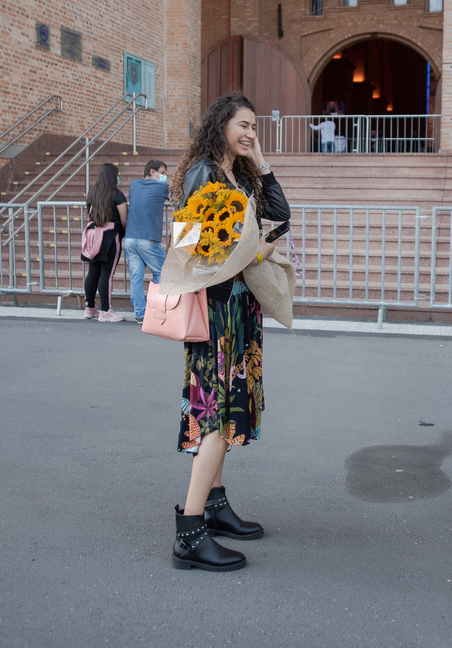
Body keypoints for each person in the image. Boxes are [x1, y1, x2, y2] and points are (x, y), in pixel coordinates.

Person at [167, 90, 290, 572]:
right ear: (220, 124)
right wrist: (254, 253)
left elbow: (279, 216)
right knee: (216, 416)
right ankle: (190, 533)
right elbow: (191, 247)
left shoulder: (237, 175)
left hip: (238, 309)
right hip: (215, 311)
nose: (250, 133)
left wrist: (260, 161)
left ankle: (215, 506)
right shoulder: (203, 173)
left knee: (230, 407)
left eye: (255, 127)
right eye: (243, 125)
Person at [82, 163, 128, 323]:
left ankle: (89, 307)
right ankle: (106, 310)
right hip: (110, 236)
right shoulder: (117, 195)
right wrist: (123, 232)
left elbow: (89, 213)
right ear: (112, 176)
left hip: (94, 235)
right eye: (117, 175)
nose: (118, 177)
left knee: (93, 271)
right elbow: (123, 218)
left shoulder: (93, 193)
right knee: (107, 274)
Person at [124, 159, 169, 322]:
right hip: (148, 239)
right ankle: (156, 307)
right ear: (152, 171)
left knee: (136, 277)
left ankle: (140, 313)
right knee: (163, 273)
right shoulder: (162, 187)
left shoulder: (134, 184)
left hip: (130, 238)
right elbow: (176, 196)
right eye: (162, 173)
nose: (164, 177)